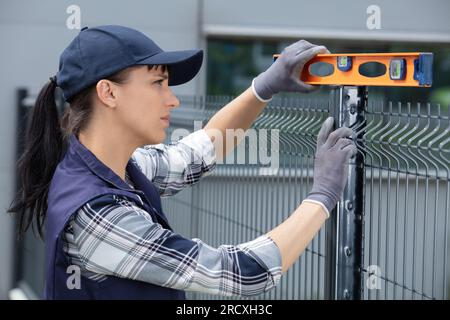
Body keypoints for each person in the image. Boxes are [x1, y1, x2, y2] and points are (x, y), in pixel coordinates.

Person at [8, 25, 356, 299]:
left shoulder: (112, 166)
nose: (172, 99)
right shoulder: (100, 214)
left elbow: (197, 153)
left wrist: (263, 87)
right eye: (158, 83)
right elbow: (243, 273)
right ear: (108, 93)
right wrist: (322, 197)